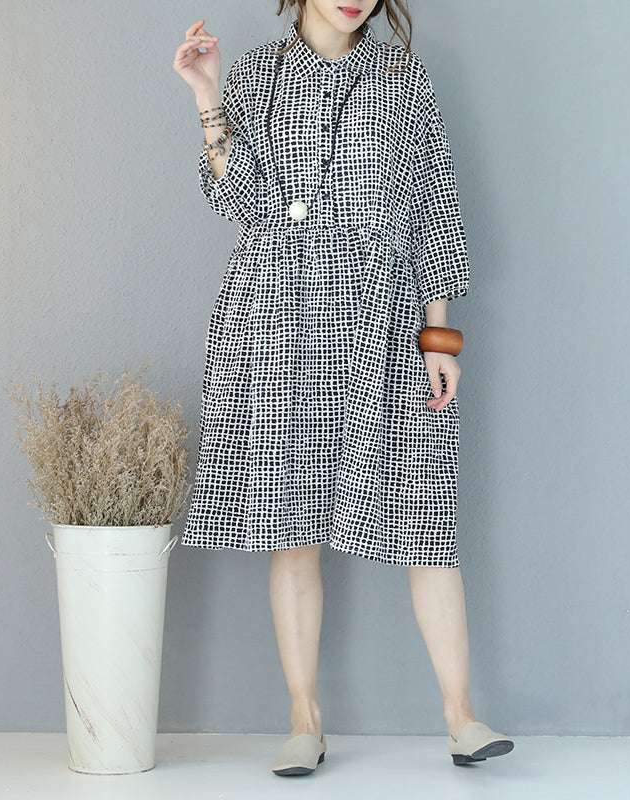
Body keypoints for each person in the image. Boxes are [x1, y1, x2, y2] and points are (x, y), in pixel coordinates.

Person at [173, 0, 514, 775]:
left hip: (382, 313)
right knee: (293, 523)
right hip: (279, 311)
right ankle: (305, 718)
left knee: (423, 511)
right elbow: (240, 203)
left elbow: (435, 204)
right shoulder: (257, 74)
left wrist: (439, 335)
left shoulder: (401, 76)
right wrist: (207, 96)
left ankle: (462, 717)